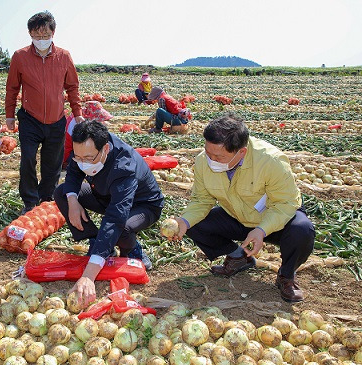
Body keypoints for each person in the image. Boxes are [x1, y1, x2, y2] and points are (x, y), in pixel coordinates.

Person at [171, 114, 315, 303]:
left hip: (274, 219)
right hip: (237, 215)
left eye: (219, 156)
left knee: (302, 230)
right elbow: (202, 200)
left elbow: (285, 204)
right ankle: (239, 257)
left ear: (242, 152)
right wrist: (185, 221)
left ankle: (287, 276)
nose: (211, 160)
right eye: (208, 153)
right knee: (194, 224)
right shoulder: (202, 162)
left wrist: (262, 230)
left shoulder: (271, 161)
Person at [54, 121, 164, 306]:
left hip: (143, 205)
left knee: (122, 229)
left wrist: (88, 276)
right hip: (105, 195)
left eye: (88, 158)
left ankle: (132, 249)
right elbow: (73, 173)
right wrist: (73, 200)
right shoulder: (83, 149)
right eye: (78, 157)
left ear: (105, 148)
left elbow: (115, 217)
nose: (82, 163)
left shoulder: (124, 166)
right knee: (62, 193)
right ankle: (97, 243)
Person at [5, 11, 83, 215]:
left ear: (53, 33)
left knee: (53, 163)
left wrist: (78, 112)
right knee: (28, 158)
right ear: (30, 34)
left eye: (45, 36)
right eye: (37, 36)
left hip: (57, 119)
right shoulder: (20, 57)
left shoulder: (63, 57)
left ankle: (46, 197)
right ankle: (30, 201)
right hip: (30, 118)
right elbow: (12, 88)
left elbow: (72, 87)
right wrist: (10, 114)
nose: (41, 40)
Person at [63, 101, 113, 168]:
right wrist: (63, 162)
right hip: (71, 152)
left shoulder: (83, 121)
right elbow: (65, 147)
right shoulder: (73, 126)